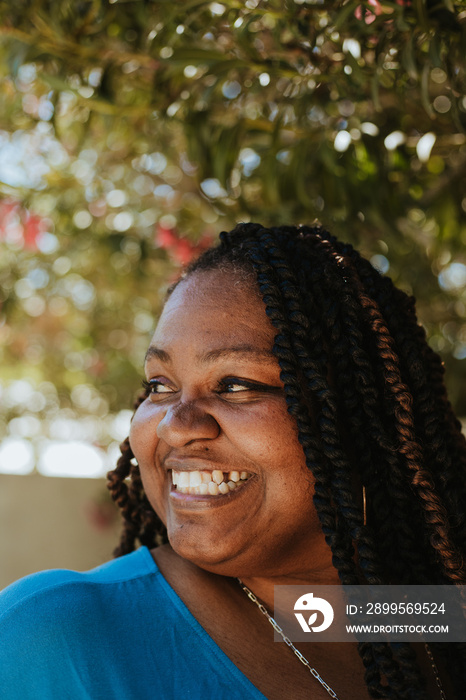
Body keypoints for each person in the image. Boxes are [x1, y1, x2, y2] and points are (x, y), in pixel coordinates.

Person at [0, 222, 465, 699]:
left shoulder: (428, 619)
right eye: (160, 385)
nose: (174, 426)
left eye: (235, 384)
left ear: (362, 419)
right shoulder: (50, 636)